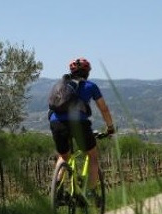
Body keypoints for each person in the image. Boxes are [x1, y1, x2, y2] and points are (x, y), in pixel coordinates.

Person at [49, 57, 115, 198]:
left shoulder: (60, 86)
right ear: (87, 72)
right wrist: (110, 127)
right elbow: (104, 109)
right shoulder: (91, 86)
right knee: (92, 156)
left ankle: (57, 190)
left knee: (63, 156)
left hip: (56, 122)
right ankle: (91, 191)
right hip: (79, 123)